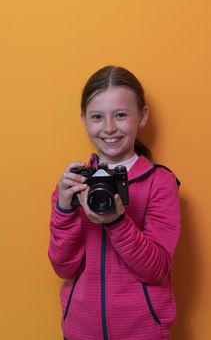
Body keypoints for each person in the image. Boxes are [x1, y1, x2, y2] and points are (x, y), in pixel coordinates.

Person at [48, 65, 181, 340]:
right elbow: (64, 267)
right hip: (80, 331)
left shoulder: (160, 182)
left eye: (121, 115)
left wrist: (117, 222)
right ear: (84, 120)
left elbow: (155, 269)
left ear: (142, 117)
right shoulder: (74, 185)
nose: (109, 128)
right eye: (97, 117)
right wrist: (64, 208)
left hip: (143, 332)